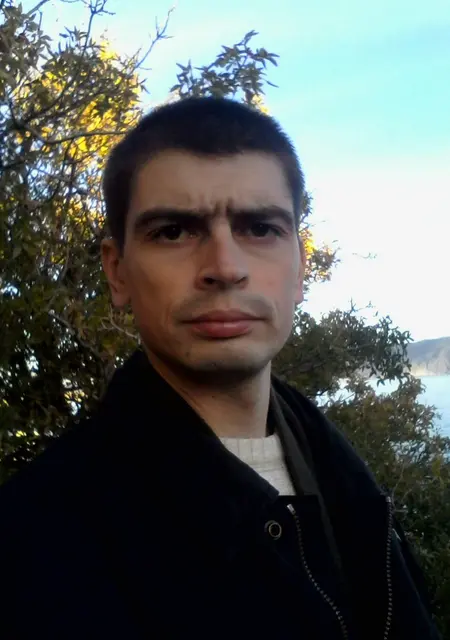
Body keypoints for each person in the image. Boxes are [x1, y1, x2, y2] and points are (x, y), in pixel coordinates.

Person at [0, 97, 440, 640]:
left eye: (261, 228)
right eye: (173, 231)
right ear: (117, 273)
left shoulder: (344, 478)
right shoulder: (33, 544)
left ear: (300, 268)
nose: (226, 268)